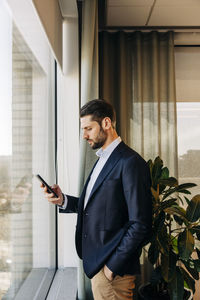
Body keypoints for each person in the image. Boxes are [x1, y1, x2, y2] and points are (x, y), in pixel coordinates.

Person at [42, 99, 152, 300]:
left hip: (112, 273)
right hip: (98, 266)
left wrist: (111, 267)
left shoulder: (131, 163)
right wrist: (63, 200)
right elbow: (99, 207)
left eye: (88, 129)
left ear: (107, 124)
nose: (84, 135)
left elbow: (140, 223)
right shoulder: (102, 159)